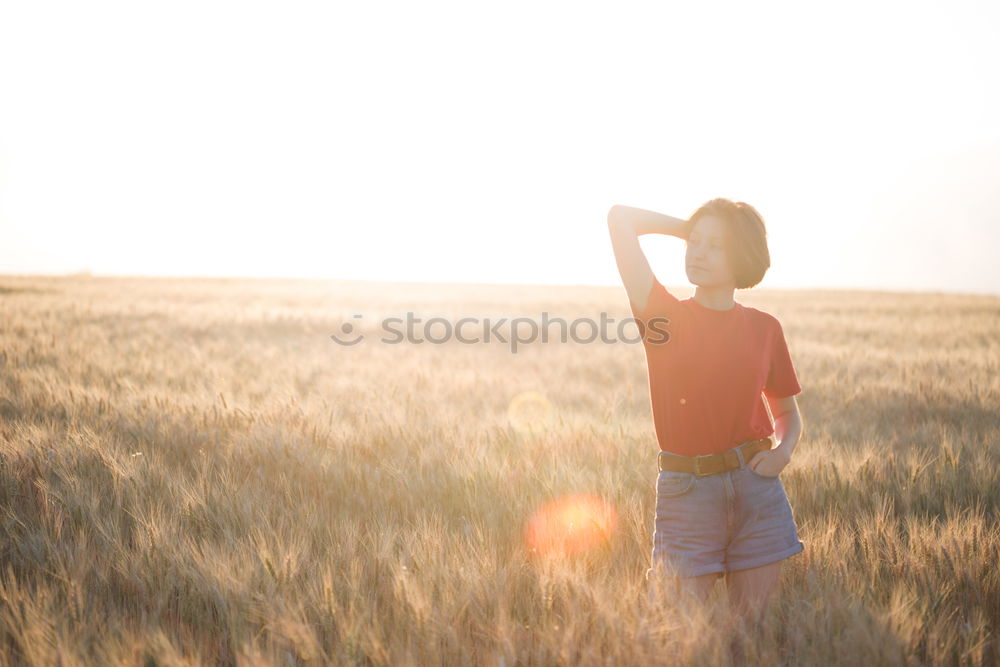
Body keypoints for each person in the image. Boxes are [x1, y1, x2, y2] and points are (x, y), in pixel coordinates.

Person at [607, 199, 806, 626]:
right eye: (694, 244)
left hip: (756, 488)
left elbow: (787, 411)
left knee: (749, 638)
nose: (697, 253)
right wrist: (692, 227)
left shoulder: (764, 328)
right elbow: (620, 219)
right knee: (674, 637)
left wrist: (781, 453)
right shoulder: (660, 315)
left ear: (741, 257)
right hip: (687, 494)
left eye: (715, 246)